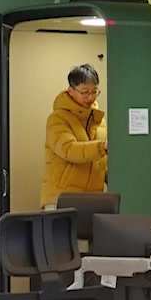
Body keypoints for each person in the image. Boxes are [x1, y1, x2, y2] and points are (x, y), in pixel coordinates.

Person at [42, 64, 108, 207]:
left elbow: (103, 163)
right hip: (61, 200)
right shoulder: (57, 119)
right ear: (71, 91)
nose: (90, 97)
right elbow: (69, 150)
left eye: (94, 92)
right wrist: (102, 147)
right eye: (85, 92)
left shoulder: (99, 121)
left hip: (93, 200)